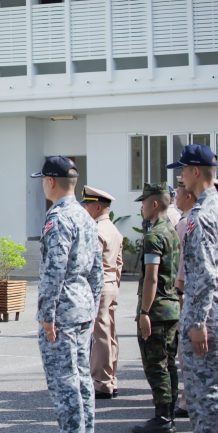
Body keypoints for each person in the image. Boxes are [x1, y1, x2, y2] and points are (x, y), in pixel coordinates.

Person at [31, 156, 104, 433]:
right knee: (82, 378)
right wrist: (93, 307)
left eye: (42, 181)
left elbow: (54, 270)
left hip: (63, 311)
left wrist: (47, 314)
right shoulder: (85, 215)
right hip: (82, 305)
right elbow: (97, 270)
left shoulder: (59, 218)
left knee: (65, 383)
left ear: (50, 182)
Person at [167, 144, 218, 433]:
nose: (181, 178)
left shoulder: (200, 217)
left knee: (203, 395)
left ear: (195, 171)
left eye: (183, 171)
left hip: (207, 315)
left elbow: (204, 273)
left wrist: (197, 321)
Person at [133, 183, 180, 433]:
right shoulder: (172, 231)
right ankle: (168, 414)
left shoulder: (154, 235)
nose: (141, 208)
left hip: (157, 311)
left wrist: (144, 313)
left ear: (153, 204)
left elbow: (151, 278)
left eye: (143, 203)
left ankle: (162, 419)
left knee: (156, 366)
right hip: (171, 308)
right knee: (169, 364)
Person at [80, 185, 124, 400]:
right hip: (111, 285)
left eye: (87, 204)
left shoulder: (97, 230)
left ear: (97, 207)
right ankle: (111, 379)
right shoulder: (113, 229)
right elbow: (119, 262)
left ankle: (102, 382)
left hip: (98, 286)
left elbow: (91, 263)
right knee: (110, 333)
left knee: (100, 336)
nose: (85, 209)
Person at [171, 177, 197, 419]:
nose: (174, 197)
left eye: (177, 193)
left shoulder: (188, 223)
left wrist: (178, 289)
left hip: (190, 293)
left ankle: (188, 400)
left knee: (188, 354)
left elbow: (182, 265)